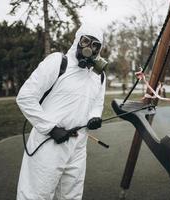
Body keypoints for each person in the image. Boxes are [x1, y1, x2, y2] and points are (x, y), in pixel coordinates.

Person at [16, 24, 107, 200]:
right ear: (77, 40)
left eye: (95, 44)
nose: (89, 47)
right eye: (86, 41)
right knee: (36, 194)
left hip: (78, 146)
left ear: (99, 49)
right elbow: (25, 97)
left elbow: (97, 103)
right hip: (49, 143)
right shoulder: (58, 62)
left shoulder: (98, 76)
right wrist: (50, 128)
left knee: (72, 195)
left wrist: (95, 117)